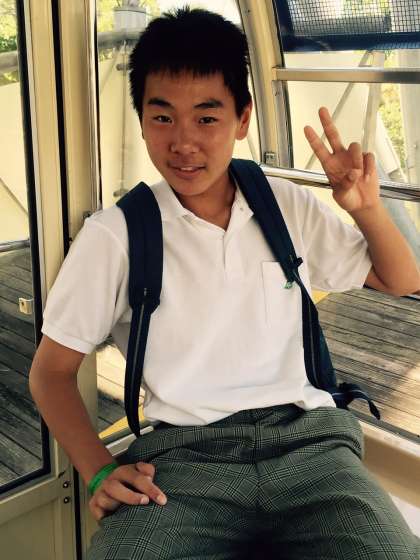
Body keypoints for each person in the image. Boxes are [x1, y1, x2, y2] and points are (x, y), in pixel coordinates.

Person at [29, 7, 420, 560]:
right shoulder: (116, 235)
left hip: (310, 449)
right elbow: (51, 372)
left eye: (207, 118)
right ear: (141, 119)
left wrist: (367, 209)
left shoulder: (283, 204)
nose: (183, 142)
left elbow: (399, 280)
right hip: (182, 465)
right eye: (162, 117)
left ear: (243, 118)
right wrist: (97, 471)